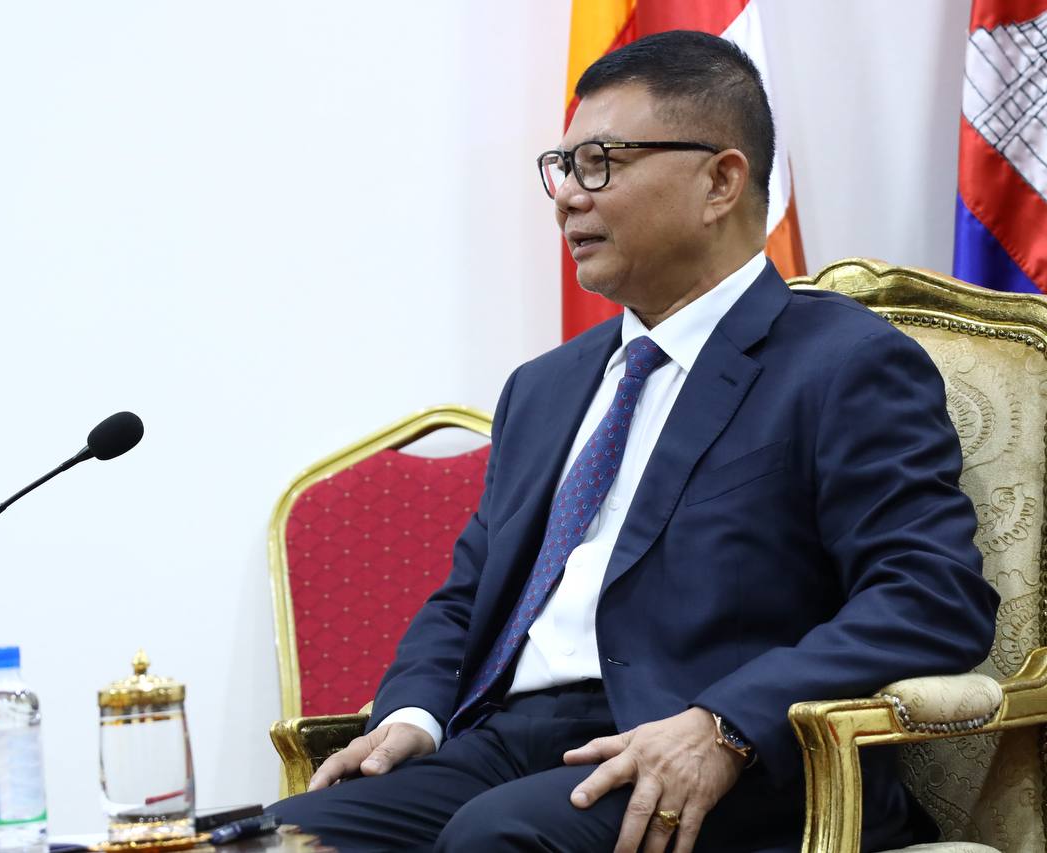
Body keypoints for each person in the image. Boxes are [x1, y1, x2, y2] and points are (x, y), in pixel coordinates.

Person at [271, 30, 999, 853]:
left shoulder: (843, 362)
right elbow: (469, 595)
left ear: (720, 181)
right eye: (562, 166)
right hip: (503, 741)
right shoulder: (544, 387)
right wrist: (415, 713)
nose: (566, 198)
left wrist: (726, 721)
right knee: (277, 837)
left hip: (731, 756)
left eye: (600, 164)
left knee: (493, 838)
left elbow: (930, 593)